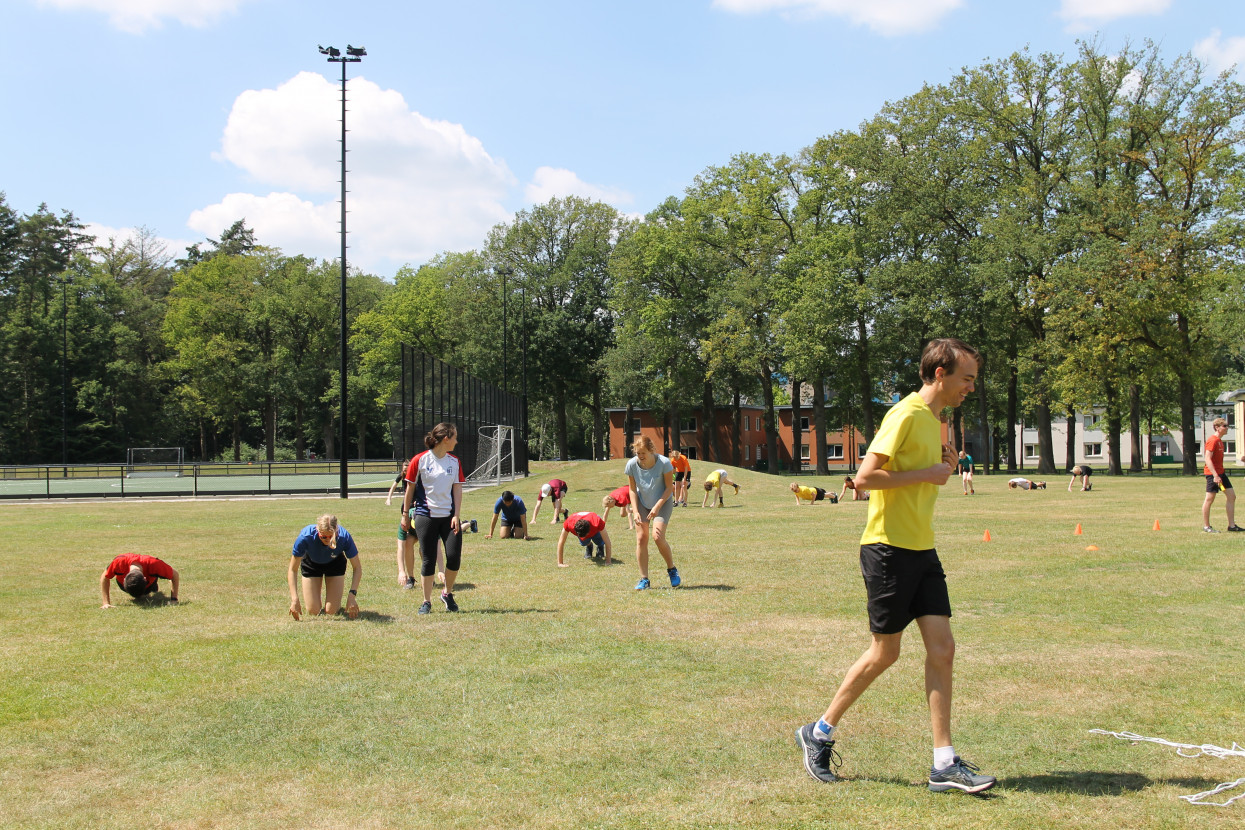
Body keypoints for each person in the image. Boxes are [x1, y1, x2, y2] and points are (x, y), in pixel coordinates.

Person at [795, 337, 996, 795]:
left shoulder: (936, 420)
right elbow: (864, 478)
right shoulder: (905, 413)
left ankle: (944, 763)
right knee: (886, 653)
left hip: (922, 549)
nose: (971, 388)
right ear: (941, 373)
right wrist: (928, 473)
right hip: (887, 549)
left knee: (942, 649)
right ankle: (819, 732)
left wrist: (940, 467)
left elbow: (921, 479)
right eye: (967, 379)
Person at [401, 422, 466, 613]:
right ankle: (426, 601)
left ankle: (447, 593)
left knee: (453, 558)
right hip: (425, 516)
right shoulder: (419, 460)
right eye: (454, 437)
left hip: (449, 518)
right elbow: (410, 488)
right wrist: (405, 515)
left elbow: (457, 488)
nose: (456, 440)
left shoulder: (454, 462)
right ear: (446, 439)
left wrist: (456, 515)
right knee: (428, 559)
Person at [624, 436, 682, 590]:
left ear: (651, 450)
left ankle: (672, 569)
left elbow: (669, 488)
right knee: (642, 538)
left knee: (657, 537)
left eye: (643, 453)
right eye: (638, 453)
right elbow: (631, 489)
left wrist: (656, 507)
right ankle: (644, 579)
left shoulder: (664, 463)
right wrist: (635, 511)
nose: (640, 456)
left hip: (662, 502)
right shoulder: (631, 465)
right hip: (642, 503)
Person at [287, 514, 361, 620]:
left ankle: (334, 602)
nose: (327, 540)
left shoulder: (344, 537)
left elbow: (357, 567)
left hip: (335, 563)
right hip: (311, 564)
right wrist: (294, 599)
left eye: (330, 536)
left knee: (331, 611)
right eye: (323, 537)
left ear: (336, 531)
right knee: (313, 611)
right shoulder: (305, 537)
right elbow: (292, 570)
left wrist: (352, 596)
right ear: (318, 531)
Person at [1201, 417, 1242, 533]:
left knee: (1231, 496)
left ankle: (1232, 526)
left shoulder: (1219, 441)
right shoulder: (1212, 440)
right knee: (1209, 499)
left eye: (1227, 425)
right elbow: (1207, 459)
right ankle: (1206, 527)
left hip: (1221, 473)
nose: (1226, 428)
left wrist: (1219, 474)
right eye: (1224, 426)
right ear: (1217, 427)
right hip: (1212, 474)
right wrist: (1215, 475)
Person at [100, 553, 179, 608]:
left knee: (148, 591)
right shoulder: (119, 562)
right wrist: (106, 603)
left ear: (145, 578)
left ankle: (153, 585)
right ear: (124, 579)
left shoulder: (154, 564)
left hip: (148, 586)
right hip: (124, 585)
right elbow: (105, 577)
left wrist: (174, 600)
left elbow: (175, 575)